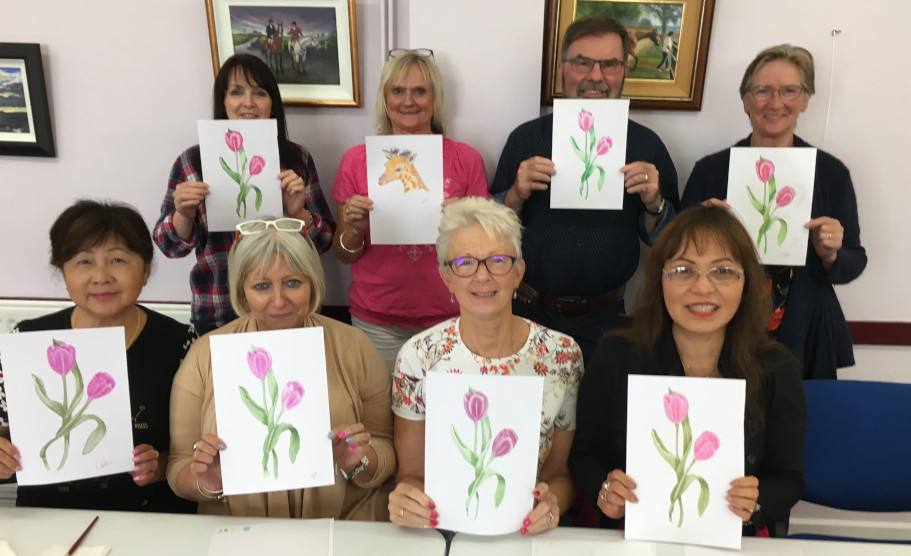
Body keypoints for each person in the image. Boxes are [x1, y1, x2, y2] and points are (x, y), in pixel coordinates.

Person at [570, 205, 806, 537]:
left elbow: (789, 478)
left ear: (745, 281)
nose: (703, 288)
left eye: (722, 271)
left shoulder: (777, 367)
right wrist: (606, 488)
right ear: (661, 279)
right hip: (632, 535)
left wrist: (757, 502)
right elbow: (584, 456)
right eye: (684, 270)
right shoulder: (616, 355)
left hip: (735, 539)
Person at [167, 217, 394, 520]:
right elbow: (178, 466)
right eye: (261, 286)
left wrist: (360, 462)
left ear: (312, 281)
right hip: (238, 532)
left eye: (292, 282)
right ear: (242, 290)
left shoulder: (354, 347)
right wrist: (208, 482)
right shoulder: (205, 356)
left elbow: (387, 447)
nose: (278, 300)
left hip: (345, 526)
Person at [491, 16, 679, 363]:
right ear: (563, 69)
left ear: (624, 70)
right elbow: (490, 230)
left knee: (600, 415)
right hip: (530, 314)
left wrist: (654, 203)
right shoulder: (526, 139)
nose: (596, 76)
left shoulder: (647, 145)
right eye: (582, 63)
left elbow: (668, 241)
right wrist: (515, 195)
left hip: (610, 320)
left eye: (609, 64)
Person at [389, 197, 583, 535]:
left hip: (527, 532)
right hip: (444, 530)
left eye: (497, 260)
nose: (482, 276)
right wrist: (407, 502)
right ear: (446, 277)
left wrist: (553, 506)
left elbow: (560, 475)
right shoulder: (418, 357)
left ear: (519, 272)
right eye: (464, 262)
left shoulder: (562, 355)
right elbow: (411, 475)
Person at [680, 44, 866, 379]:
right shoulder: (710, 171)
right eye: (762, 90)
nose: (775, 102)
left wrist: (831, 255)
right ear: (745, 100)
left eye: (789, 90)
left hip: (805, 329)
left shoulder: (830, 173)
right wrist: (701, 229)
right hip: (723, 326)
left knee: (802, 427)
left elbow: (854, 262)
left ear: (806, 100)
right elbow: (676, 258)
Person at [0, 200, 197, 513]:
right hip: (46, 518)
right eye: (83, 262)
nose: (101, 276)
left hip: (153, 518)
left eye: (117, 260)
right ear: (63, 273)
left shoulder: (181, 344)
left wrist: (162, 465)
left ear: (145, 270)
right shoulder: (27, 341)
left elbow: (199, 446)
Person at [331, 49, 489, 372]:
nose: (408, 101)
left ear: (435, 99)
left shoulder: (467, 160)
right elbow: (344, 253)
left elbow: (484, 249)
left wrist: (466, 221)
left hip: (452, 316)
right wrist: (354, 229)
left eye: (420, 91)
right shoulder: (357, 161)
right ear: (385, 98)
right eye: (398, 91)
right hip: (377, 320)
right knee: (381, 418)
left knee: (445, 417)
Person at [154, 54, 334, 335]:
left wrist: (299, 214)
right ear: (223, 102)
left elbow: (323, 242)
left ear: (272, 102)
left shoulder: (296, 159)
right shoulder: (192, 162)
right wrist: (183, 215)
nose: (248, 102)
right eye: (236, 92)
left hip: (288, 310)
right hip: (218, 308)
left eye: (259, 93)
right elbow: (169, 246)